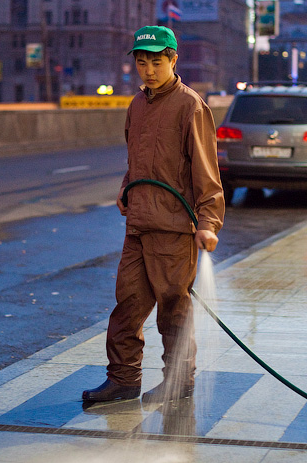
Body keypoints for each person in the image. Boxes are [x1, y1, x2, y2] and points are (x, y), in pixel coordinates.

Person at [82, 25, 225, 404]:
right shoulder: (137, 105)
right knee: (127, 305)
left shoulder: (190, 106)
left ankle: (179, 380)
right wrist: (127, 186)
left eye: (156, 62)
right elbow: (139, 158)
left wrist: (208, 223)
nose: (148, 70)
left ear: (173, 60)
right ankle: (123, 380)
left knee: (172, 310)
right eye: (142, 63)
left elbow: (207, 174)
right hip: (139, 225)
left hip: (175, 229)